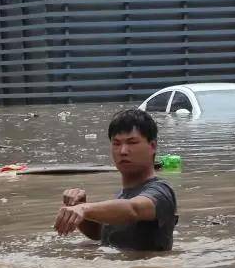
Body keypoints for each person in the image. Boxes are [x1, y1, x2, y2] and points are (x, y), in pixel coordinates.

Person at [54, 108, 177, 251]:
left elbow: (133, 209)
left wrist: (84, 209)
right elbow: (100, 234)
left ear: (152, 146)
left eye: (132, 142)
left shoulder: (161, 191)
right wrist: (78, 207)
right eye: (116, 143)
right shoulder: (122, 195)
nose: (123, 151)